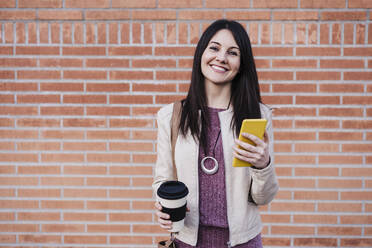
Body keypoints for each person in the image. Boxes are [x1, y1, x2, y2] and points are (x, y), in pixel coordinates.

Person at [153, 19, 279, 248]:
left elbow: (264, 197)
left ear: (242, 64)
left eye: (233, 52)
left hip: (243, 243)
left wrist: (263, 165)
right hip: (186, 242)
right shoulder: (171, 116)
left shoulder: (257, 116)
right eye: (214, 48)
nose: (221, 57)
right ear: (201, 53)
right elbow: (163, 180)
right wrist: (162, 205)